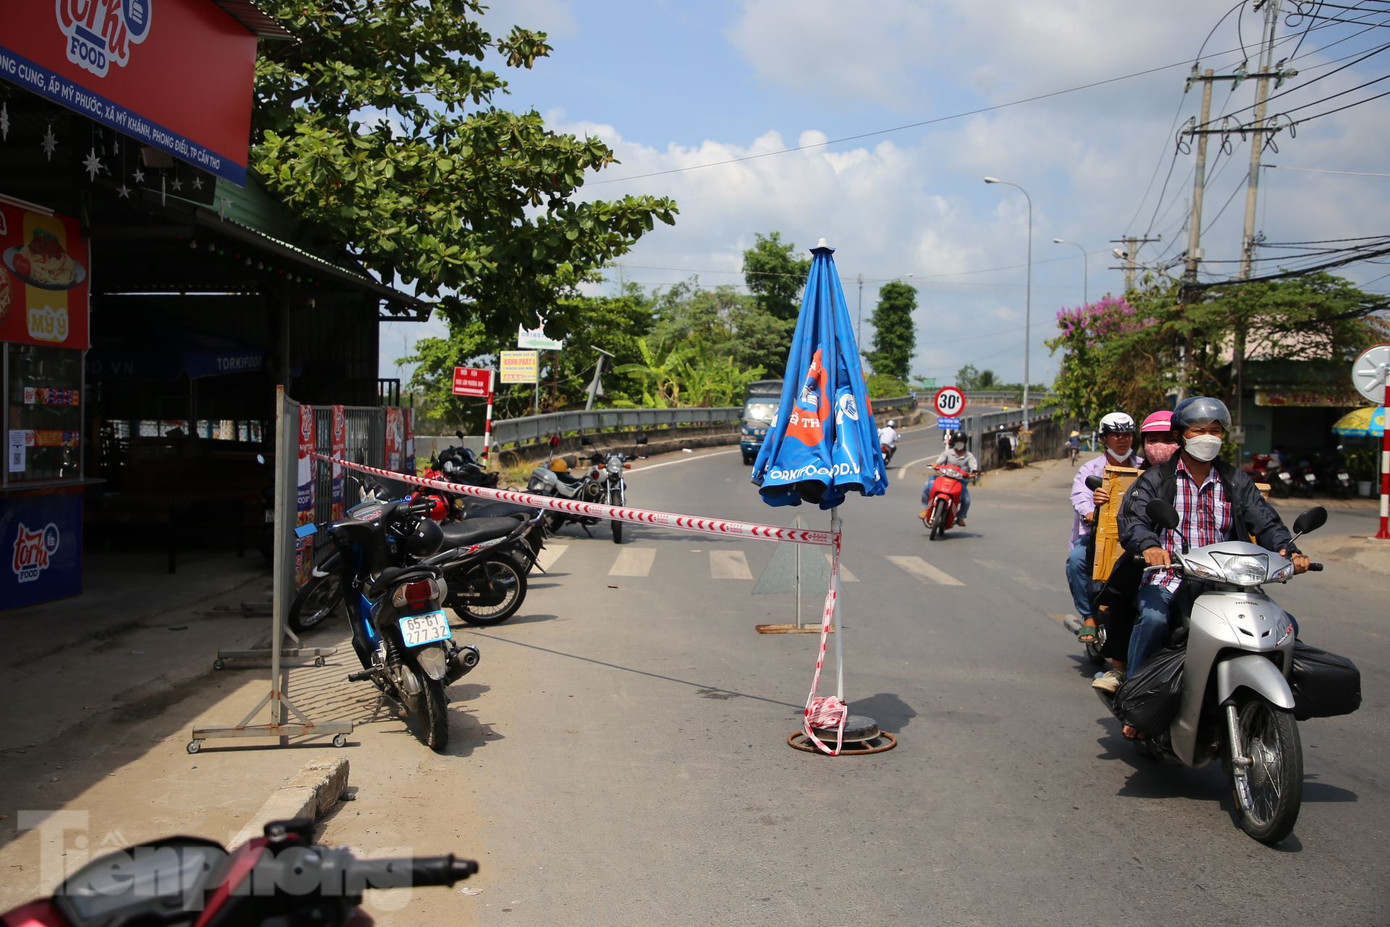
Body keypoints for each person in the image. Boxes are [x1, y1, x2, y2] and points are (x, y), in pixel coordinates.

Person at [1103, 397, 1311, 703]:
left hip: (1227, 582)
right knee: (1153, 618)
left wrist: (1288, 549)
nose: (1208, 437)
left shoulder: (1235, 480)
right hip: (1170, 575)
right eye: (1198, 430)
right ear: (1179, 436)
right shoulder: (1156, 480)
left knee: (1283, 624)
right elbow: (1134, 521)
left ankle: (1273, 698)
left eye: (1215, 430)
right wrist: (1149, 546)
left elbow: (1264, 521)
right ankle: (1137, 698)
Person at [1065, 412, 1141, 646]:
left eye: (1127, 434)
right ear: (1104, 438)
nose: (1122, 439)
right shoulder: (1090, 469)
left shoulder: (1143, 469)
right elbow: (1080, 497)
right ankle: (1089, 616)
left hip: (1134, 536)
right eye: (1116, 434)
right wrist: (1091, 511)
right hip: (1095, 537)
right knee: (1077, 560)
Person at [921, 434, 979, 526]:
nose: (959, 444)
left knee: (966, 500)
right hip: (944, 477)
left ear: (965, 443)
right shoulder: (948, 453)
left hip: (960, 481)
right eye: (957, 442)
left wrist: (974, 472)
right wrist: (935, 464)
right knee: (926, 485)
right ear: (954, 442)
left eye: (961, 442)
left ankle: (960, 517)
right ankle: (925, 508)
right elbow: (939, 461)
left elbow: (973, 467)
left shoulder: (969, 456)